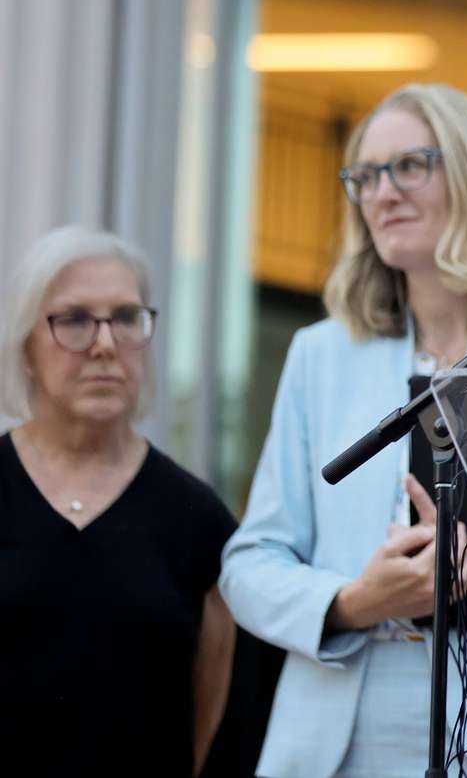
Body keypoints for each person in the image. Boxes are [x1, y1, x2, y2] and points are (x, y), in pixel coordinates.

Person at [220, 83, 467, 778]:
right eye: (364, 175)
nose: (381, 192)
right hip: (344, 723)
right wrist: (353, 602)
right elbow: (250, 563)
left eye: (409, 166)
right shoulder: (321, 356)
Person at [0, 226, 237, 777]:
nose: (105, 344)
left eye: (127, 318)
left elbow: (208, 734)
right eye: (75, 320)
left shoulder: (199, 523)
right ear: (26, 347)